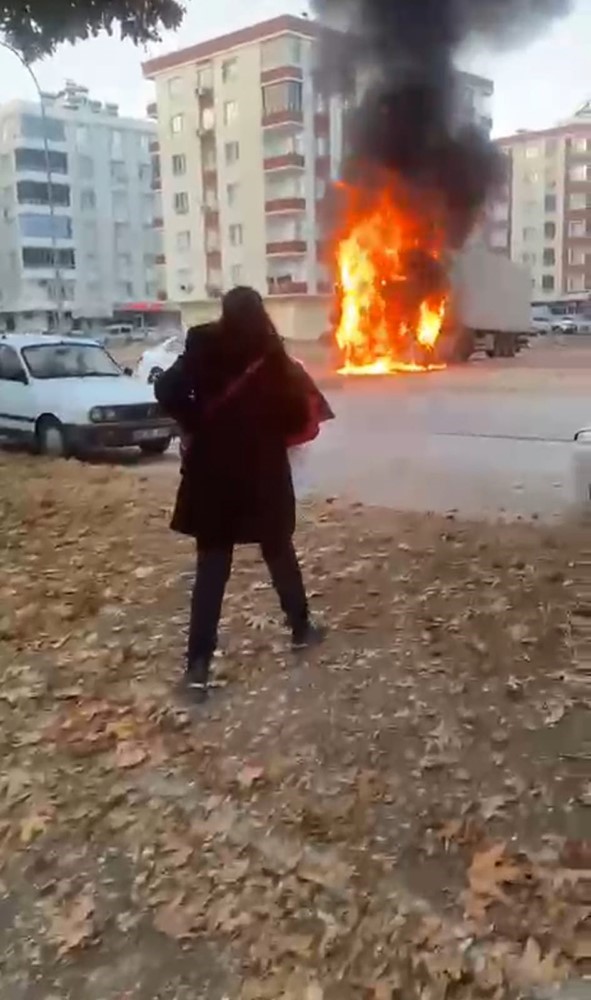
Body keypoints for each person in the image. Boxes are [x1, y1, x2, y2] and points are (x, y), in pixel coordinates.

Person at [154, 288, 328, 702]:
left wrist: (197, 419)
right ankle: (301, 630)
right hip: (262, 475)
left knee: (212, 570)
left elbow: (167, 390)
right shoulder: (271, 353)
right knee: (279, 554)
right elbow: (293, 414)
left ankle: (197, 671)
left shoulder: (200, 342)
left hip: (213, 476)